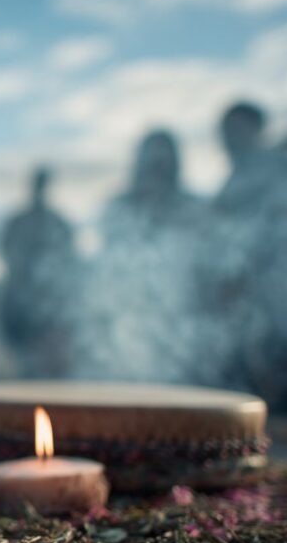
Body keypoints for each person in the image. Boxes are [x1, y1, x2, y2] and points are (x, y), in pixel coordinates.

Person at [212, 102, 287, 407]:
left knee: (282, 376)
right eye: (226, 132)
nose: (231, 138)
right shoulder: (234, 179)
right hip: (242, 304)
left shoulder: (283, 166)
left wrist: (249, 277)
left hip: (282, 294)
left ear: (257, 129)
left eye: (238, 129)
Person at [77, 131, 209, 384]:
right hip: (120, 342)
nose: (157, 170)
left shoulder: (195, 211)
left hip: (187, 342)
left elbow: (216, 276)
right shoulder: (119, 209)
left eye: (163, 162)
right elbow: (101, 275)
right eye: (152, 162)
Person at [0, 166, 76, 376]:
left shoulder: (58, 224)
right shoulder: (17, 223)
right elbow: (7, 254)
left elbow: (68, 261)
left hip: (50, 308)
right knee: (18, 364)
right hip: (18, 305)